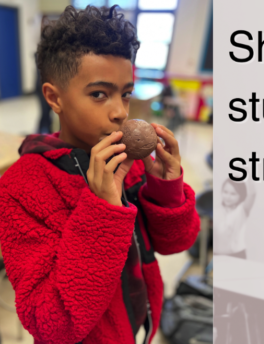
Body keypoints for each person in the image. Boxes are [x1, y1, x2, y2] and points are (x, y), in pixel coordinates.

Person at [0, 6, 200, 344]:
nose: (121, 112)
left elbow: (175, 243)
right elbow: (52, 325)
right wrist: (101, 211)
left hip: (136, 324)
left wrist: (167, 189)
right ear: (54, 97)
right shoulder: (20, 188)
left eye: (125, 93)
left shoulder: (129, 162)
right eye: (99, 94)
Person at [213, 179, 256, 259]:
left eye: (233, 194)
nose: (228, 197)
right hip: (216, 255)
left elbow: (252, 194)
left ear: (241, 195)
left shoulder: (242, 210)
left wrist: (248, 176)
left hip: (236, 255)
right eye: (225, 192)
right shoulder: (215, 211)